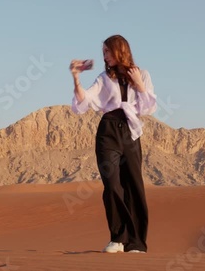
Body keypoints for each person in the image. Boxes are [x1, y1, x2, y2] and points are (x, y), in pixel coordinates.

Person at [69, 35, 157, 253]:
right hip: (108, 131)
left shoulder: (142, 74)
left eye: (107, 51)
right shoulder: (104, 78)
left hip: (131, 131)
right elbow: (84, 100)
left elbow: (148, 108)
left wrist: (138, 84)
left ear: (119, 51)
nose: (104, 56)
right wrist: (76, 79)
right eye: (104, 52)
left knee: (134, 186)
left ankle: (136, 242)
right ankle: (118, 238)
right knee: (112, 184)